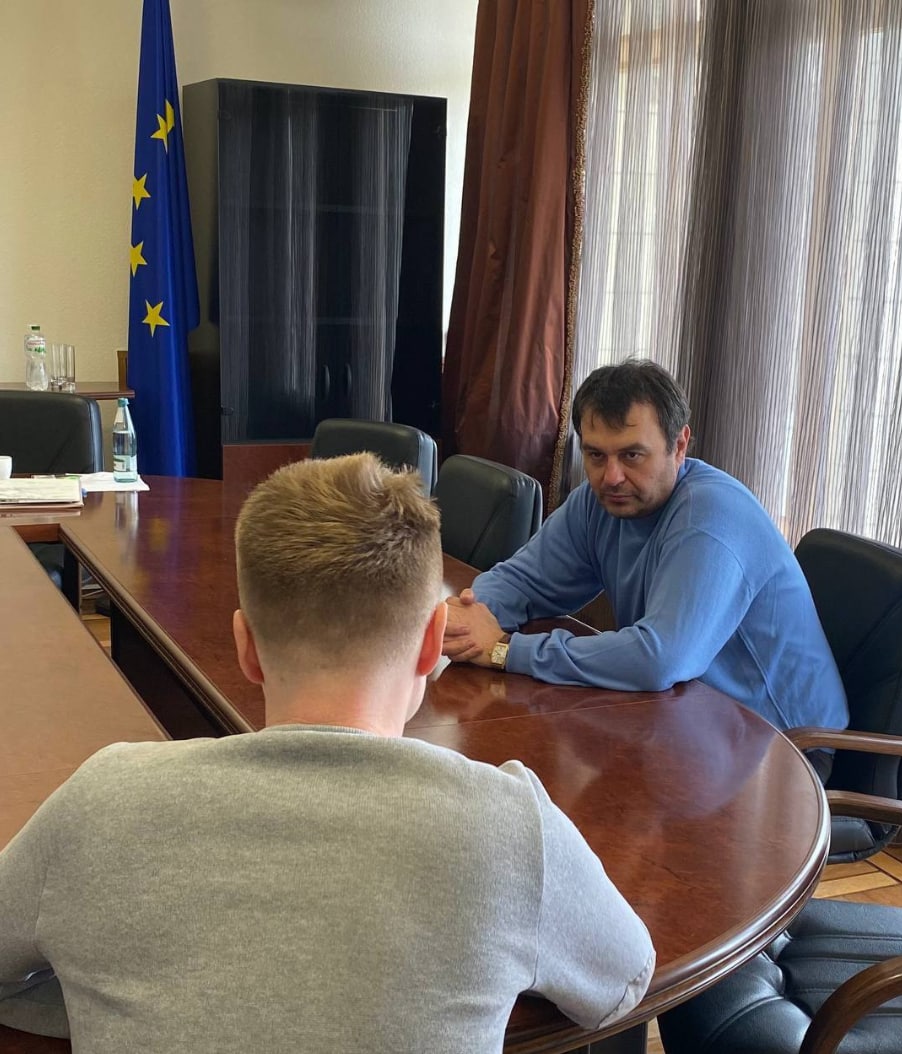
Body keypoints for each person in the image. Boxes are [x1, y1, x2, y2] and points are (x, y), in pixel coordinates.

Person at [0, 454, 654, 1052]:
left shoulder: (101, 805)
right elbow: (622, 981)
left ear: (246, 648)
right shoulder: (510, 829)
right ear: (433, 643)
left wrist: (103, 999)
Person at [442, 359, 848, 754]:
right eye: (596, 455)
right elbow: (523, 580)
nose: (611, 477)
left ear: (679, 446)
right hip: (683, 718)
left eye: (632, 455)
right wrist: (467, 618)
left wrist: (505, 649)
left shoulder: (711, 516)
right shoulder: (599, 502)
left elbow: (659, 659)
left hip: (782, 748)